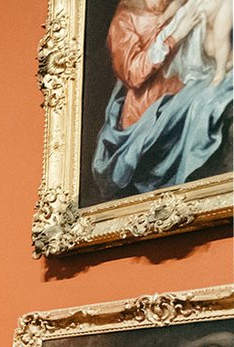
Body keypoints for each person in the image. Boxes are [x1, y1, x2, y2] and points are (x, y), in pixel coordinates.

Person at [91, 0, 233, 200]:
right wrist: (176, 36)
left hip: (185, 83)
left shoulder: (170, 5)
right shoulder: (124, 21)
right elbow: (133, 74)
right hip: (148, 107)